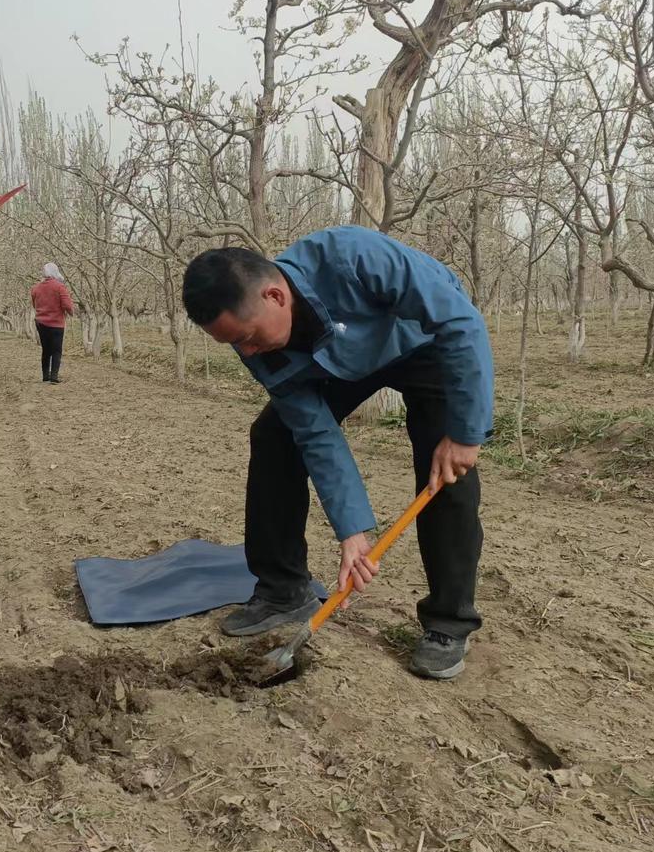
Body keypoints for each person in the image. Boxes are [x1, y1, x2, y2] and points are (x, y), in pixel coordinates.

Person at [181, 227, 493, 680]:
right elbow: (315, 431)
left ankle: (448, 621)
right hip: (332, 364)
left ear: (274, 295)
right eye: (234, 344)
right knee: (275, 435)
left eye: (248, 337)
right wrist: (353, 533)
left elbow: (460, 323)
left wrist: (465, 433)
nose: (246, 352)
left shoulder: (352, 257)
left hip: (421, 340)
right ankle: (284, 590)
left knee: (445, 468)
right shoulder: (253, 342)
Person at [30, 262, 75, 383]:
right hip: (56, 324)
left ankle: (45, 376)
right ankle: (54, 377)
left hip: (41, 323)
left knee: (46, 350)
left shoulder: (35, 288)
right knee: (56, 350)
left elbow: (34, 304)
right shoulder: (60, 287)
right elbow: (67, 304)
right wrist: (71, 312)